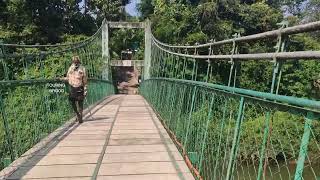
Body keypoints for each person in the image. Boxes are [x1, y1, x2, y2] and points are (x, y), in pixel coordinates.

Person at [61, 56, 88, 123]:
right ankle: (77, 114)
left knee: (80, 102)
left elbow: (85, 80)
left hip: (80, 87)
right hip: (72, 87)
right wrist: (61, 79)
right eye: (74, 62)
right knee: (72, 102)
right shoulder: (70, 68)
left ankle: (80, 116)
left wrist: (85, 89)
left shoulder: (82, 68)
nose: (75, 63)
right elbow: (68, 77)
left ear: (79, 61)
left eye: (76, 61)